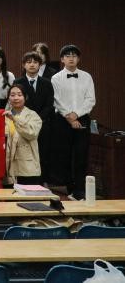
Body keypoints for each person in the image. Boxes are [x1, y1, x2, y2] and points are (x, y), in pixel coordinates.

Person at [50, 44, 95, 200]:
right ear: (62, 59)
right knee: (65, 155)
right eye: (67, 56)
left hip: (82, 118)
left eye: (74, 56)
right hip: (63, 120)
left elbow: (90, 99)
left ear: (78, 59)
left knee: (81, 155)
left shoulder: (87, 76)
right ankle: (69, 188)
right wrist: (69, 117)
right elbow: (56, 100)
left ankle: (80, 190)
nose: (71, 58)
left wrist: (76, 114)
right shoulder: (56, 78)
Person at [13, 51, 55, 183]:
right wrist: (29, 121)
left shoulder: (47, 83)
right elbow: (15, 103)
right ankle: (25, 183)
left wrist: (37, 120)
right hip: (24, 125)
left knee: (43, 154)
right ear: (23, 65)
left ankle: (42, 182)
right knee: (25, 155)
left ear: (40, 65)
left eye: (35, 62)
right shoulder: (18, 82)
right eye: (29, 62)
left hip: (43, 124)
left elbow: (49, 104)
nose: (32, 65)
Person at [4, 84, 43, 185]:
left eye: (19, 95)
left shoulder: (33, 115)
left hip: (27, 167)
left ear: (25, 97)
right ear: (8, 98)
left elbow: (31, 133)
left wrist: (14, 119)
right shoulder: (3, 116)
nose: (16, 98)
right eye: (12, 95)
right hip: (8, 167)